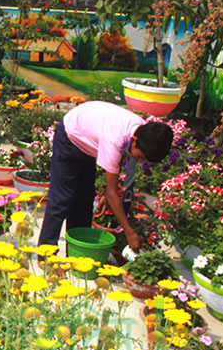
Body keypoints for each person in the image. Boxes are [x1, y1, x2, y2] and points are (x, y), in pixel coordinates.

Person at [36, 101, 173, 251]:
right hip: (71, 134)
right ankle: (46, 253)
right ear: (135, 142)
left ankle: (77, 253)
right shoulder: (114, 139)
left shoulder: (141, 130)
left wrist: (106, 192)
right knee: (61, 199)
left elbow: (117, 161)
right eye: (141, 156)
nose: (141, 161)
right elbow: (112, 193)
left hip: (89, 136)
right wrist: (129, 233)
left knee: (84, 202)